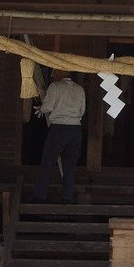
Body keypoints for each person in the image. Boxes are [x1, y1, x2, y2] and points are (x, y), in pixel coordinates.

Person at [31, 69, 86, 204]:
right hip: (75, 130)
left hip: (59, 128)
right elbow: (82, 111)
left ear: (62, 73)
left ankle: (40, 196)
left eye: (54, 73)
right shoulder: (80, 89)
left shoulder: (55, 87)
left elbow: (48, 107)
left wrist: (40, 108)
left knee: (48, 162)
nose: (52, 76)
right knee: (70, 166)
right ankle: (67, 197)